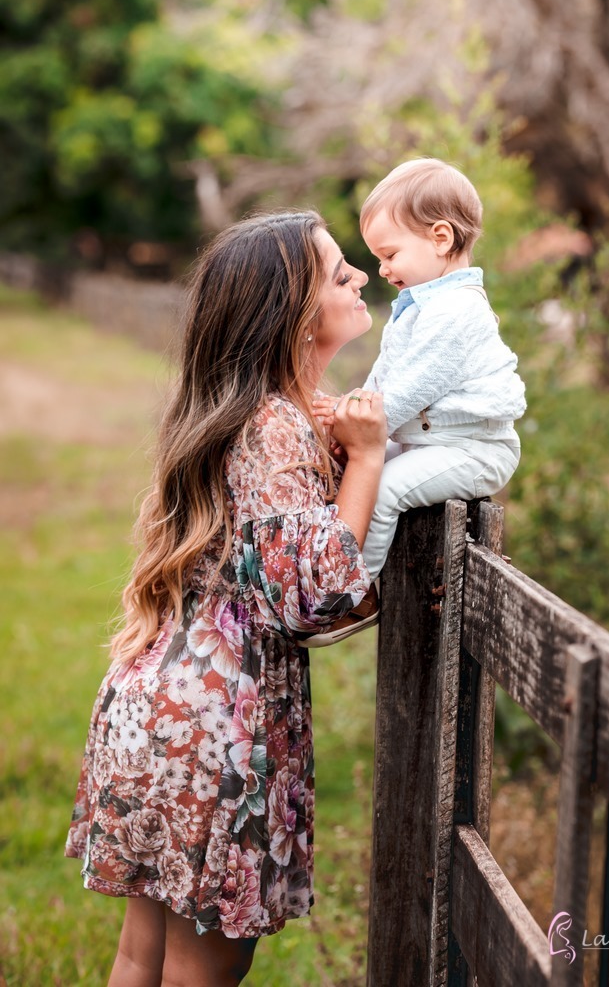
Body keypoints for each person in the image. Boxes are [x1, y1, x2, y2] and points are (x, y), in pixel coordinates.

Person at [65, 211, 386, 986]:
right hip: (218, 728)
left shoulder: (256, 416)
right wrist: (368, 461)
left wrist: (336, 448)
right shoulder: (274, 425)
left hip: (163, 708)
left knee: (143, 954)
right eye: (340, 272)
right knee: (203, 969)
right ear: (293, 312)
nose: (363, 278)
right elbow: (310, 597)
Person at [315, 158, 526, 581]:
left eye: (390, 254)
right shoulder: (420, 305)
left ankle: (356, 588)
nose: (381, 269)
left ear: (441, 238)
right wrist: (352, 407)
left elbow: (415, 387)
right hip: (436, 442)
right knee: (354, 470)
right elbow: (386, 376)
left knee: (386, 487)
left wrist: (360, 423)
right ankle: (325, 562)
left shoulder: (459, 310)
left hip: (476, 450)